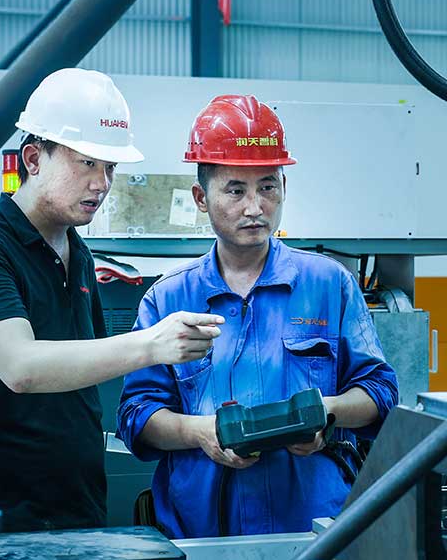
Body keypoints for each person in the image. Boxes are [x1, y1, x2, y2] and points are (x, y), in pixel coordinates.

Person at [0, 68, 224, 535]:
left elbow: (86, 372)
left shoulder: (79, 253)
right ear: (34, 159)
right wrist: (152, 345)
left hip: (78, 506)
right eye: (86, 163)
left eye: (109, 168)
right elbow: (21, 367)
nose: (101, 183)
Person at [117, 95, 399, 538]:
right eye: (235, 190)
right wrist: (200, 432)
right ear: (200, 198)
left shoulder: (329, 284)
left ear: (284, 187)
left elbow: (380, 393)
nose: (255, 207)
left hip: (316, 533)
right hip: (202, 536)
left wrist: (327, 414)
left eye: (268, 187)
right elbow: (137, 415)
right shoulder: (168, 299)